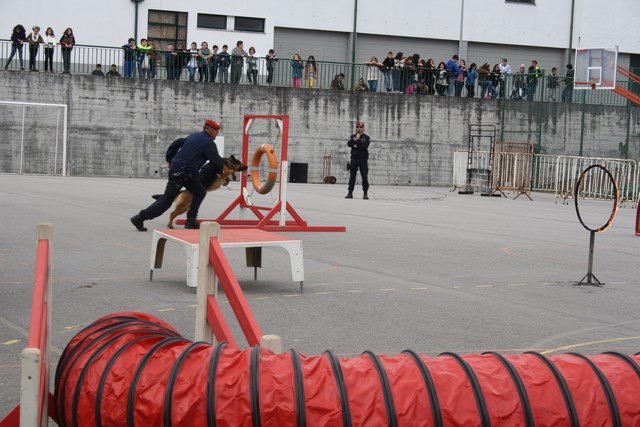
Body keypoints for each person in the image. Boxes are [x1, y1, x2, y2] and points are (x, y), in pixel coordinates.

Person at [130, 120, 224, 231]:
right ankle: (140, 217)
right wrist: (220, 171)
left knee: (200, 191)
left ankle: (190, 220)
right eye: (217, 132)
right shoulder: (208, 143)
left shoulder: (193, 136)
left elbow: (176, 143)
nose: (217, 134)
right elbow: (216, 161)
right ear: (211, 130)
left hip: (186, 173)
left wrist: (170, 159)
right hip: (181, 173)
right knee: (167, 200)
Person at [345, 121, 370, 200]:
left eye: (360, 127)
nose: (359, 128)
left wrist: (356, 144)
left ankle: (365, 193)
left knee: (364, 176)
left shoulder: (366, 137)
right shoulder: (353, 136)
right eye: (357, 127)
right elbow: (349, 144)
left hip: (363, 159)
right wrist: (355, 139)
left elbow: (364, 147)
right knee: (352, 176)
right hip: (354, 159)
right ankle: (350, 192)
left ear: (363, 128)